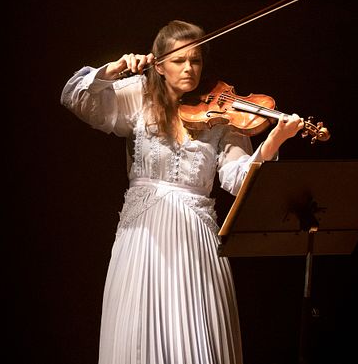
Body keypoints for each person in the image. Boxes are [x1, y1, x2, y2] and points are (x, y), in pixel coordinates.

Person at [60, 20, 304, 364]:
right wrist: (113, 69)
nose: (189, 68)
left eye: (196, 60)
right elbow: (76, 97)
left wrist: (274, 140)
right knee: (141, 330)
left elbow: (238, 179)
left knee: (197, 331)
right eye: (179, 61)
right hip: (144, 235)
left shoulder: (223, 112)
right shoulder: (139, 94)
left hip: (196, 235)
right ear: (158, 65)